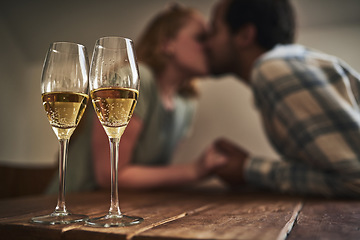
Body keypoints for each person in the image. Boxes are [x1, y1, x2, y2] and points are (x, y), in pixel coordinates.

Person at [206, 0, 360, 197]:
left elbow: (355, 178)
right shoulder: (286, 63)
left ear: (245, 35)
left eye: (213, 30)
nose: (206, 43)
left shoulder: (272, 69)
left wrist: (249, 169)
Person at [91, 3, 227, 190]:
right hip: (83, 207)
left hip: (136, 209)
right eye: (201, 38)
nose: (210, 46)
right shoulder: (135, 80)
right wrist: (194, 171)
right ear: (167, 44)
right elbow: (110, 176)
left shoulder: (186, 102)